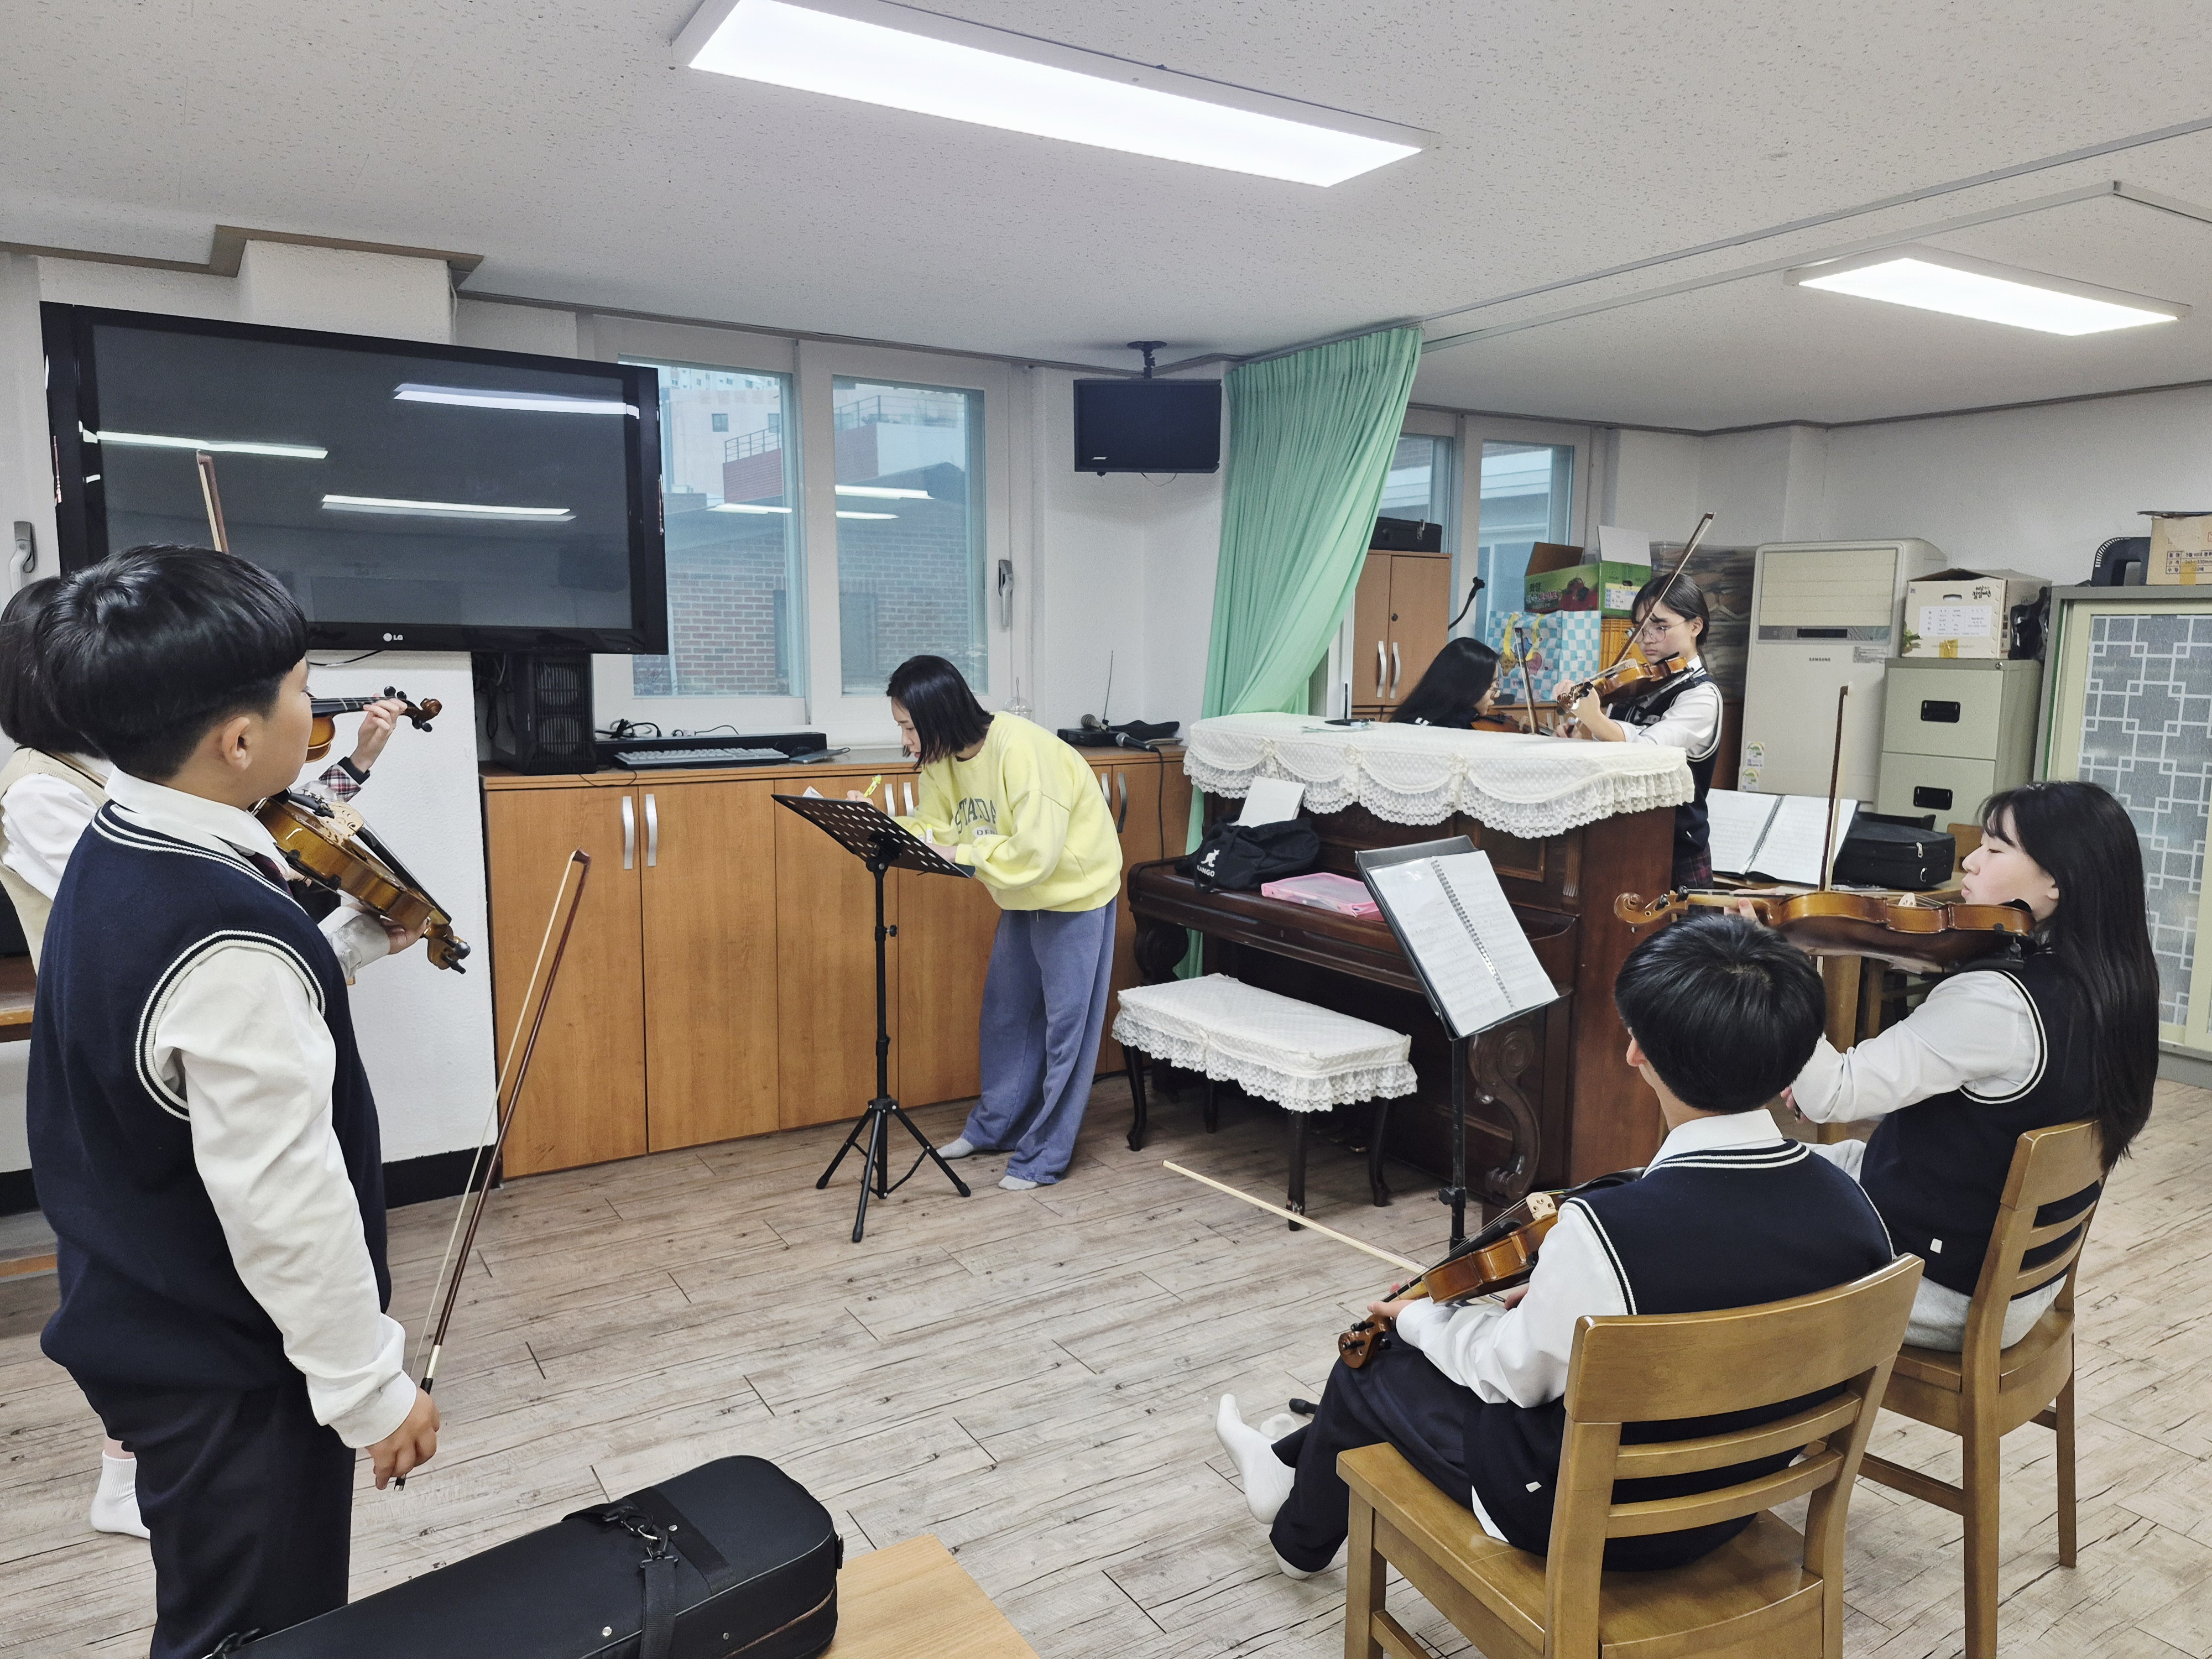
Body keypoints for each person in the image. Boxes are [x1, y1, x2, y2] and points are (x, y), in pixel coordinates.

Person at [27, 546, 439, 1658]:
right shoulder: (223, 930)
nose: (318, 715)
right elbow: (284, 1201)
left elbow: (186, 1047)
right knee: (256, 1632)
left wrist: (342, 947)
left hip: (145, 1306)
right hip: (231, 1363)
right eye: (303, 689)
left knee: (221, 1607)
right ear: (240, 741)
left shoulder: (121, 841)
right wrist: (372, 1390)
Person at [1213, 914, 1896, 1578]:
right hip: (1728, 1506)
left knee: (1375, 1362)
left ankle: (1296, 1541)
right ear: (1795, 1059)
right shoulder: (1854, 1208)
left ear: (1638, 1052)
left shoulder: (1607, 1230)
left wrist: (1422, 1319)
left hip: (1586, 1516)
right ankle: (1284, 1470)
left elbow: (1512, 1377)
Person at [1786, 780, 2156, 1350]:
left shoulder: (1997, 1003)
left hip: (1939, 1287)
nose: (1971, 861)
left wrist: (1780, 967)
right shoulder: (2114, 983)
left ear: (2057, 881)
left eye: (1995, 848)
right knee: (1753, 1170)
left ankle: (1767, 1398)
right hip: (2018, 1277)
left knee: (1731, 1211)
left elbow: (1827, 1096)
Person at [875, 655, 1122, 1189]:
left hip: (1075, 890)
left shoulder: (1023, 750)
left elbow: (1035, 852)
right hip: (1020, 891)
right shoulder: (942, 758)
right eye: (901, 728)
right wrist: (884, 826)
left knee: (1066, 1033)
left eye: (910, 728)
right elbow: (937, 828)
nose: (906, 743)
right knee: (1007, 1016)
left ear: (940, 717)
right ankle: (996, 1128)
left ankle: (1043, 1157)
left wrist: (961, 851)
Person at [1554, 572, 1724, 886]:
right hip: (1620, 838)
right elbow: (1611, 756)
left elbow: (1646, 752)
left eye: (1660, 627)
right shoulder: (1638, 684)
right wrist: (1583, 734)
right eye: (1641, 629)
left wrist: (1596, 720)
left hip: (1674, 849)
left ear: (1695, 626)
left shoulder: (1701, 696)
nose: (1647, 639)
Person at [1390, 637, 1505, 729]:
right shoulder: (1419, 728)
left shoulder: (1466, 721)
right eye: (1490, 685)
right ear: (1468, 686)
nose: (1497, 694)